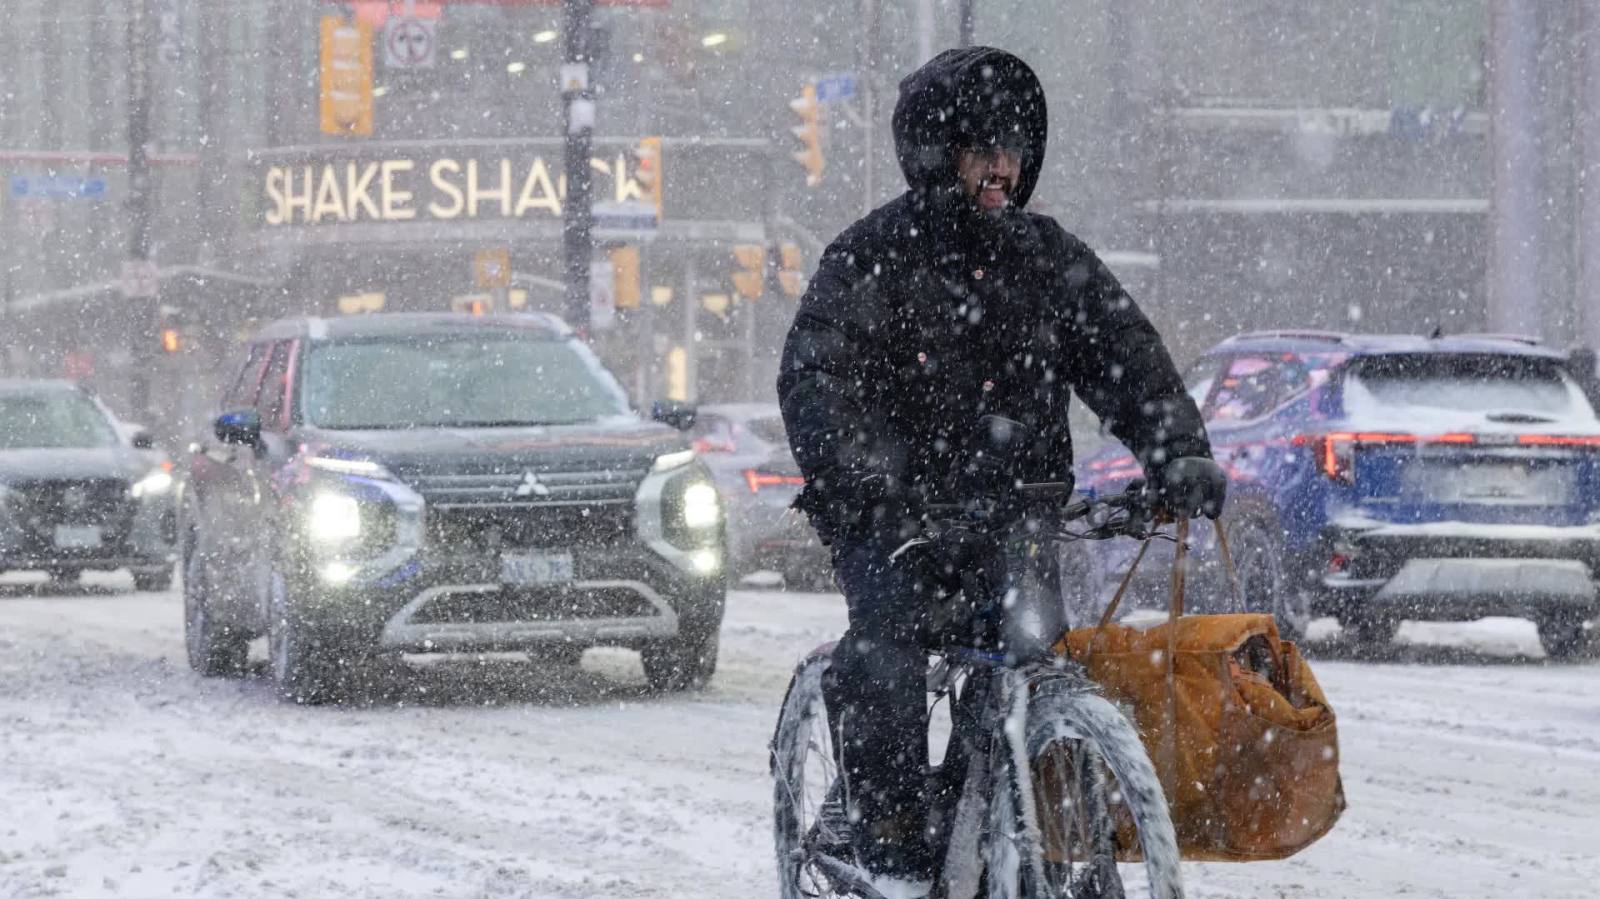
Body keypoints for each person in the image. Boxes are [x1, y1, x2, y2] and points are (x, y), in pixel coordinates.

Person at [776, 47, 1226, 895]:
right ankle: (893, 851)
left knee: (1030, 667)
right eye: (982, 147)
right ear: (935, 155)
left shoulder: (1048, 259)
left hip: (1016, 511)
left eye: (1015, 148)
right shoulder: (872, 258)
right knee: (889, 653)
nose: (1002, 166)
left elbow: (1125, 358)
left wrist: (1178, 451)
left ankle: (1029, 839)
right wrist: (873, 489)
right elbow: (817, 381)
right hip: (894, 517)